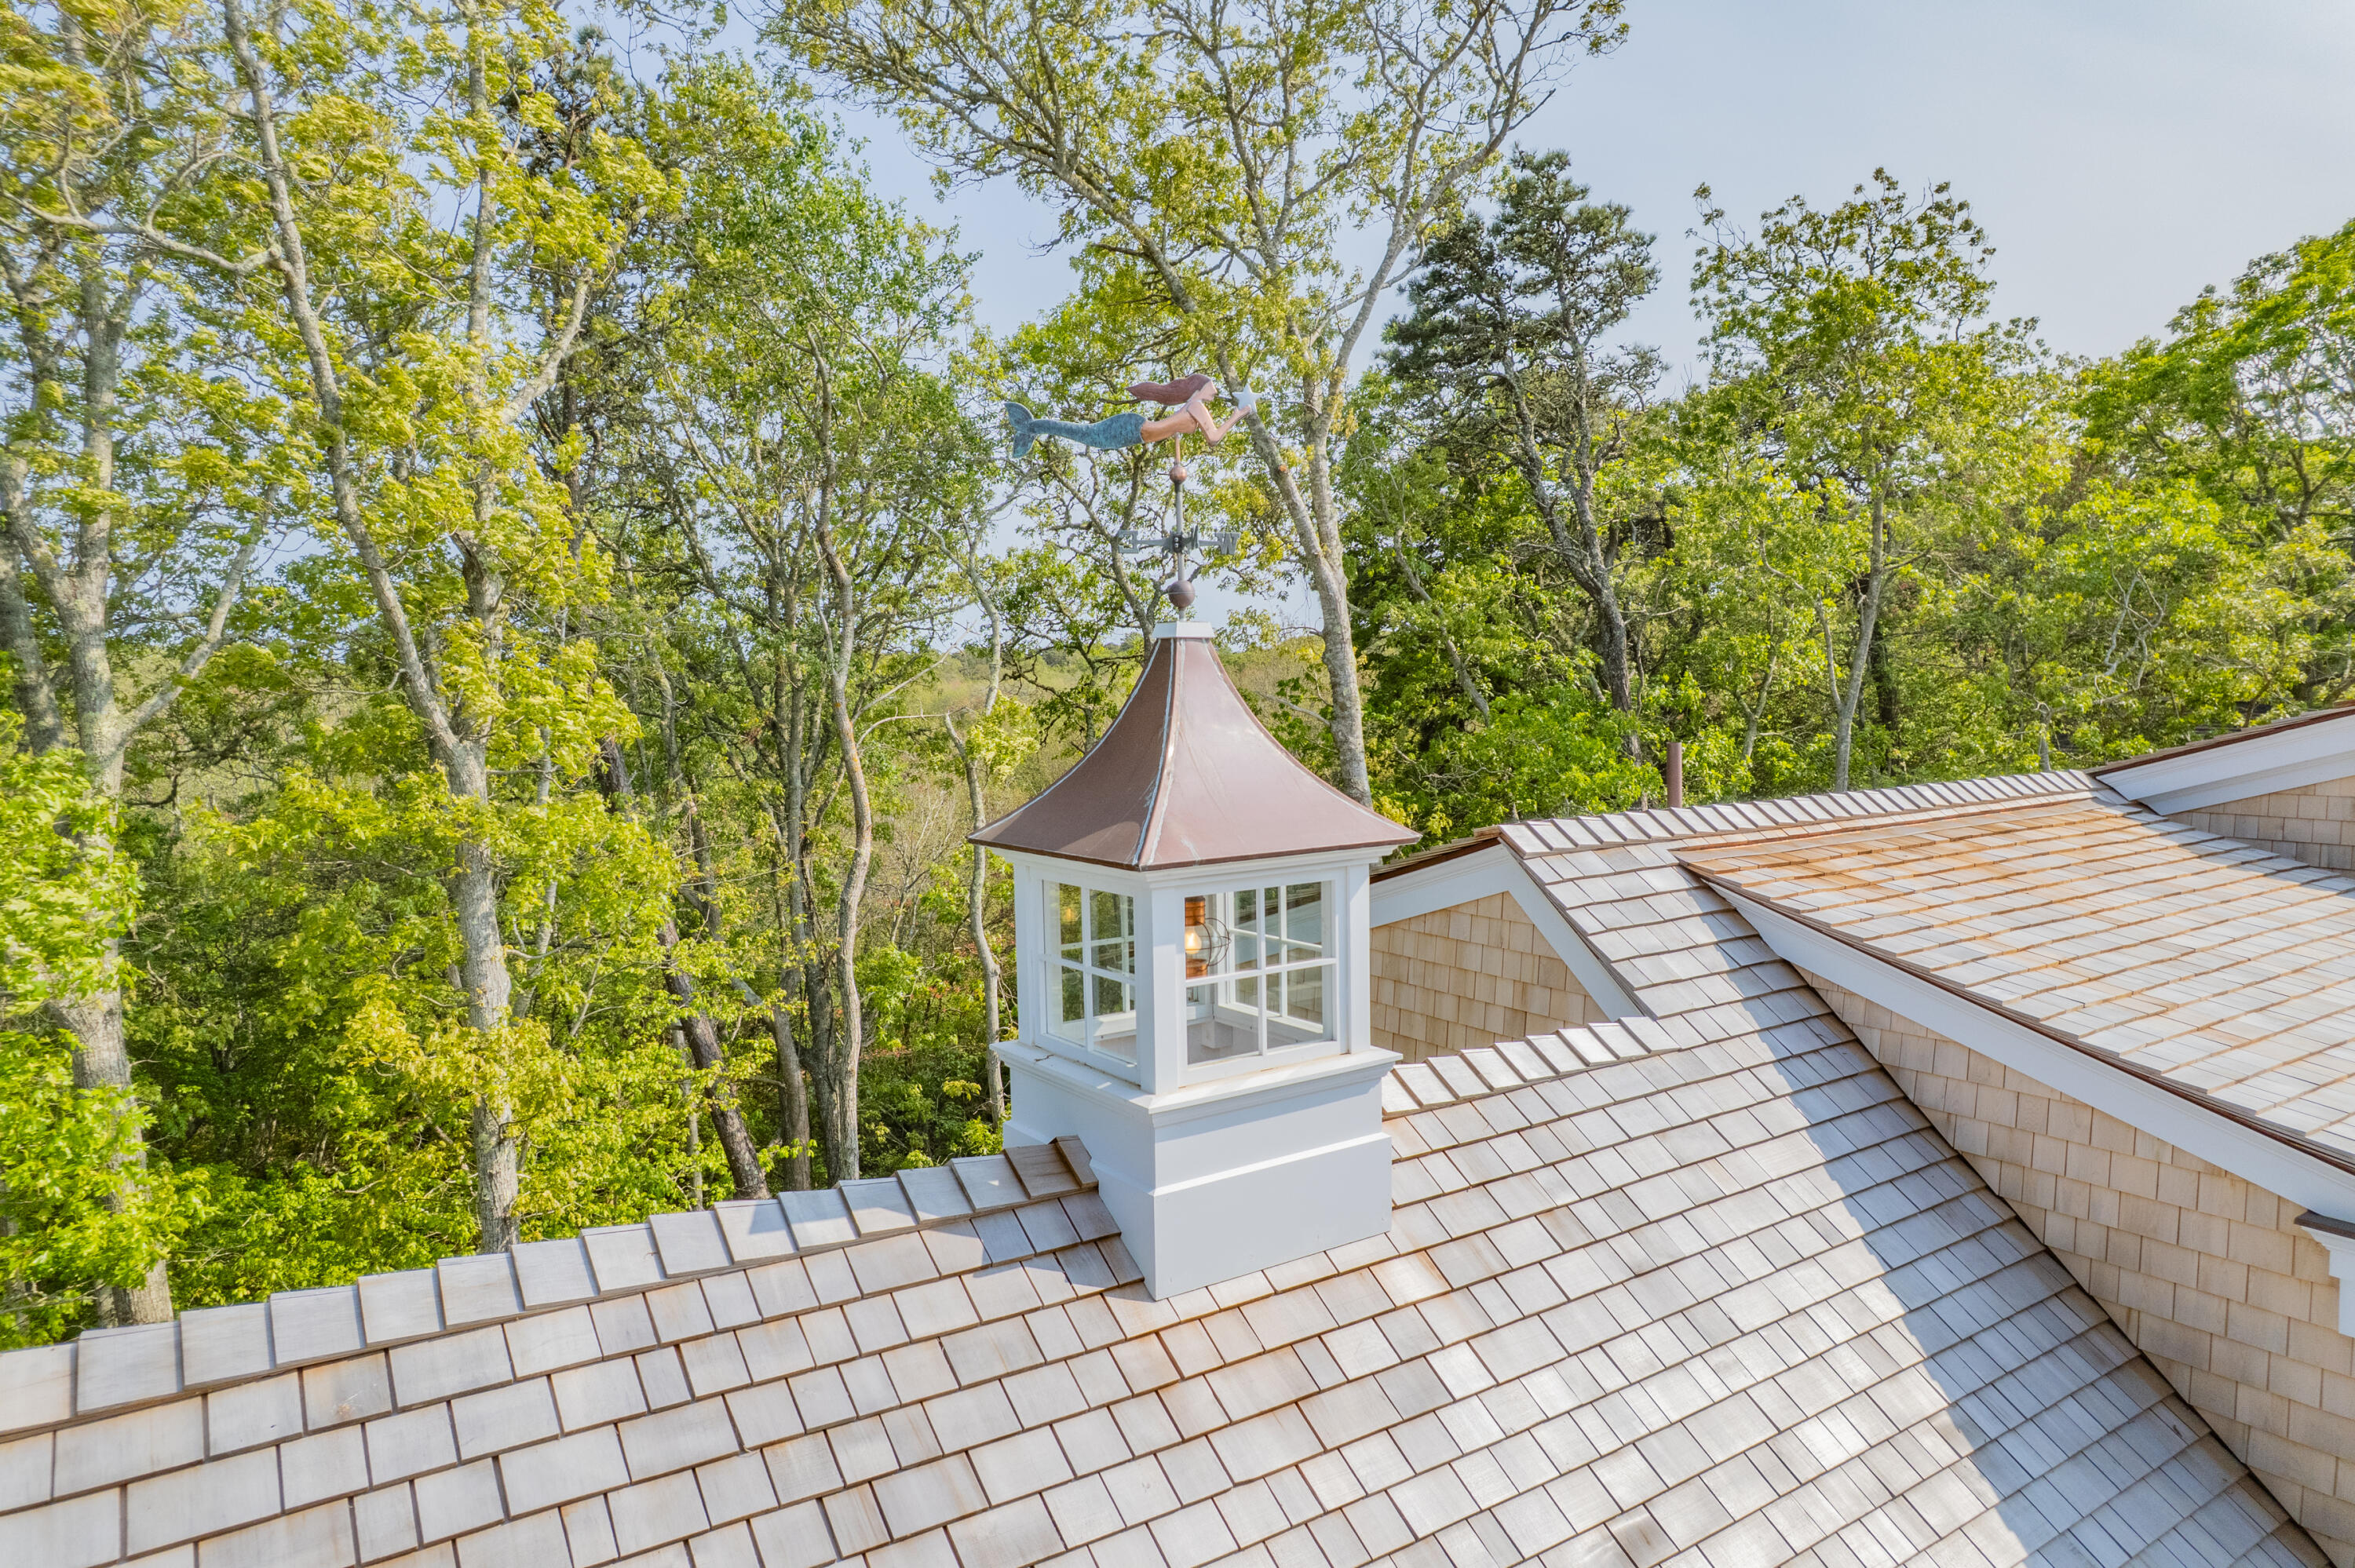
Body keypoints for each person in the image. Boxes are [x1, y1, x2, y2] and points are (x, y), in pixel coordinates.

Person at [1006, 377, 1258, 459]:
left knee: (1087, 434)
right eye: (1212, 388)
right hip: (1134, 428)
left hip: (1136, 431)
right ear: (1200, 389)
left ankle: (1032, 427)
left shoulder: (1194, 406)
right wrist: (1239, 415)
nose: (1215, 393)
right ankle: (1031, 426)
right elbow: (1213, 438)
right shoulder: (1197, 406)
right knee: (1087, 434)